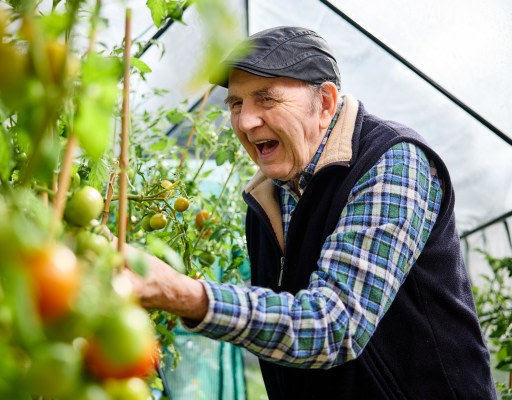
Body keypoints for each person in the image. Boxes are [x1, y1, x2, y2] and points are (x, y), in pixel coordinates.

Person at [122, 26, 497, 399]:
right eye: (236, 104)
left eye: (266, 99)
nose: (246, 121)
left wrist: (185, 294)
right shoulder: (268, 198)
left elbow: (334, 325)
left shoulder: (392, 162)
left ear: (327, 104)